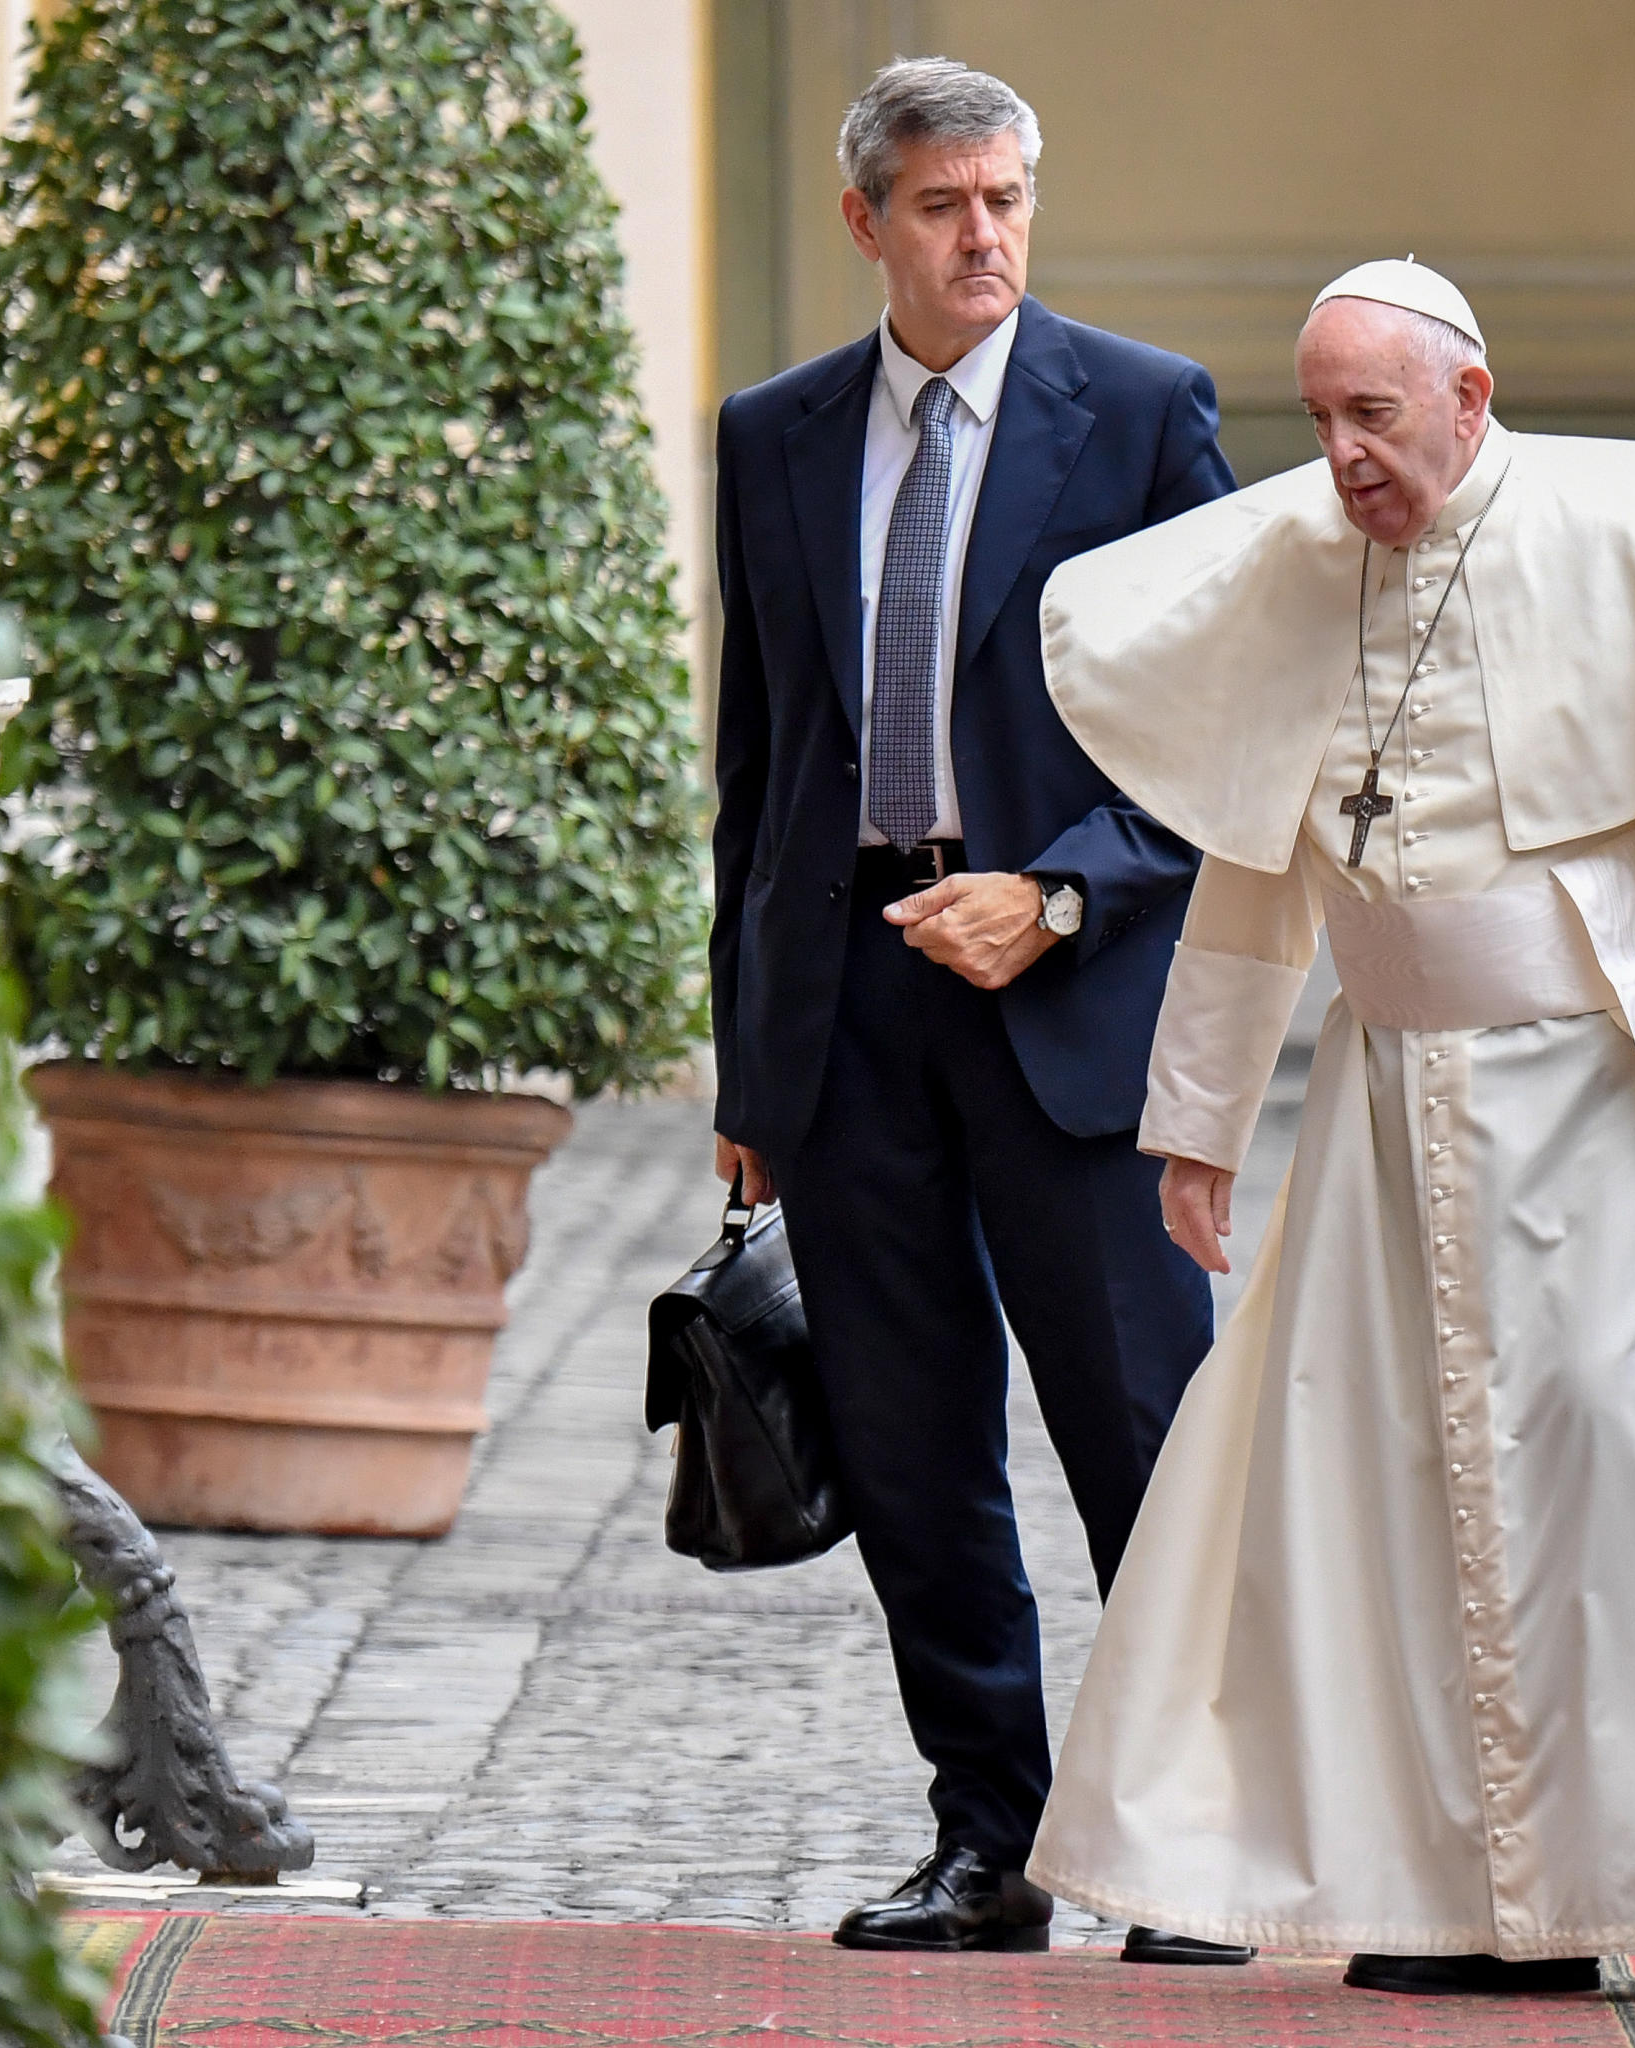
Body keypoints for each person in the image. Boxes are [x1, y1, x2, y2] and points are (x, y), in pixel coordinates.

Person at [1021, 260, 1635, 1994]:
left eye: (1375, 413)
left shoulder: (1622, 558)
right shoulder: (1302, 570)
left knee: (1632, 1458)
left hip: (1612, 1098)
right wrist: (1199, 1120)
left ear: (1472, 395)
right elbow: (1251, 866)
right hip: (1393, 1112)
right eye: (1321, 417)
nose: (1344, 455)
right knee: (1394, 1487)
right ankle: (1471, 1903)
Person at [705, 58, 1247, 1963]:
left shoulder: (1144, 417)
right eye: (944, 207)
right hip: (848, 1005)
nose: (986, 238)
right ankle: (987, 1842)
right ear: (867, 223)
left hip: (1064, 994)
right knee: (917, 1445)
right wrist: (748, 1064)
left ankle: (1190, 1847)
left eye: (1009, 198)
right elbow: (754, 765)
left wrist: (1069, 888)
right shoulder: (773, 434)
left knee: (1140, 1429)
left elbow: (1233, 732)